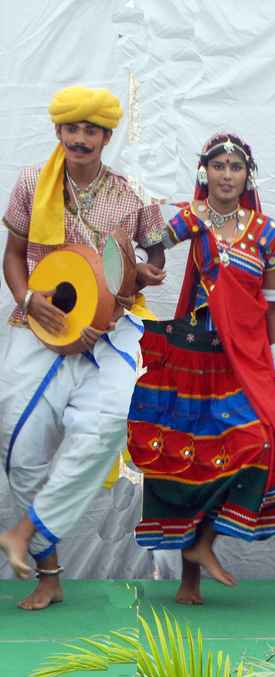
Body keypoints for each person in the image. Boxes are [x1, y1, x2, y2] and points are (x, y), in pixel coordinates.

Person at [0, 86, 166, 610]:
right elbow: (14, 255)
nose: (79, 138)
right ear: (58, 132)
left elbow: (154, 261)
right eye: (71, 129)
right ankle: (48, 573)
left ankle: (26, 530)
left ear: (106, 137)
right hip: (40, 323)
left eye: (90, 130)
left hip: (111, 331)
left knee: (108, 423)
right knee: (20, 446)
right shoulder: (33, 182)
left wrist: (137, 279)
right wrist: (29, 300)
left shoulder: (131, 194)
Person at [127, 132, 275, 604]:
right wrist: (144, 261)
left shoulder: (268, 233)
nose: (227, 175)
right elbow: (152, 245)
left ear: (248, 176)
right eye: (219, 166)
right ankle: (189, 581)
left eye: (235, 167)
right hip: (195, 355)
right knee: (194, 456)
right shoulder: (193, 218)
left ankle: (204, 542)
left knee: (260, 441)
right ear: (206, 172)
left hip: (246, 359)